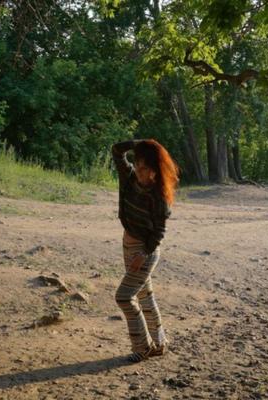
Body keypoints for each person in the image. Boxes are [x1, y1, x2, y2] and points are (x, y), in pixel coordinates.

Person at [111, 139, 179, 363]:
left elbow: (159, 233)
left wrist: (143, 255)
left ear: (155, 172)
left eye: (145, 169)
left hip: (146, 251)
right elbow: (117, 150)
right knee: (145, 296)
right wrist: (139, 144)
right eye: (138, 166)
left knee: (124, 297)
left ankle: (143, 347)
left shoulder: (159, 197)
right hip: (128, 245)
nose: (139, 172)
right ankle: (159, 344)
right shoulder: (128, 177)